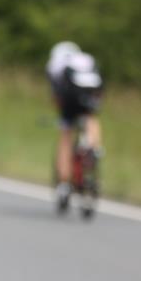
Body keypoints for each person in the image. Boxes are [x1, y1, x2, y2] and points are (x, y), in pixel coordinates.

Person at [46, 42, 103, 209]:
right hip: (94, 86)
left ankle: (64, 183)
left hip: (70, 92)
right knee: (91, 117)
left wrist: (62, 116)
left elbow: (57, 97)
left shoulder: (55, 64)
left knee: (66, 134)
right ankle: (94, 148)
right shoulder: (87, 59)